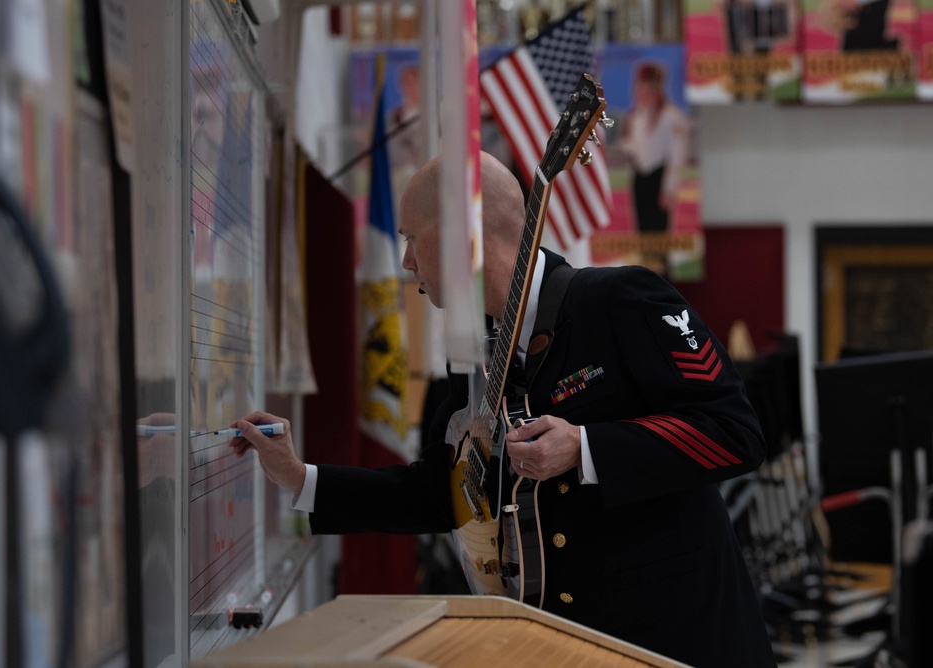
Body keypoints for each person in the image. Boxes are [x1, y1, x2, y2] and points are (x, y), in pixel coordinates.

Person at [229, 151, 777, 667]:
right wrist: (301, 478)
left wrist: (585, 449)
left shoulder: (618, 300)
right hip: (560, 645)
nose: (406, 261)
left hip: (679, 642)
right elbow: (444, 496)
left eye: (412, 238)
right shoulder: (472, 359)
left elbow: (734, 430)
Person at [618, 62, 687, 235]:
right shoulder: (635, 117)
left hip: (659, 177)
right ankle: (645, 263)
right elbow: (633, 146)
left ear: (657, 90)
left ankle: (660, 262)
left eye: (646, 87)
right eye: (639, 86)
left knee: (658, 233)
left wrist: (669, 189)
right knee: (642, 232)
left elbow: (676, 156)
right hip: (640, 177)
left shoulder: (671, 116)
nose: (640, 91)